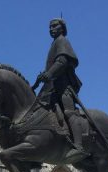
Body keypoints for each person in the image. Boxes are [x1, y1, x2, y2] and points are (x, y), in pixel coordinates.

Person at [34, 18, 88, 163]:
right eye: (50, 27)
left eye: (54, 26)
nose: (51, 29)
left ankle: (78, 145)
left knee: (69, 111)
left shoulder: (62, 41)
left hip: (64, 86)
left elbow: (63, 61)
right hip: (53, 86)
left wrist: (49, 74)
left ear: (62, 28)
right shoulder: (54, 43)